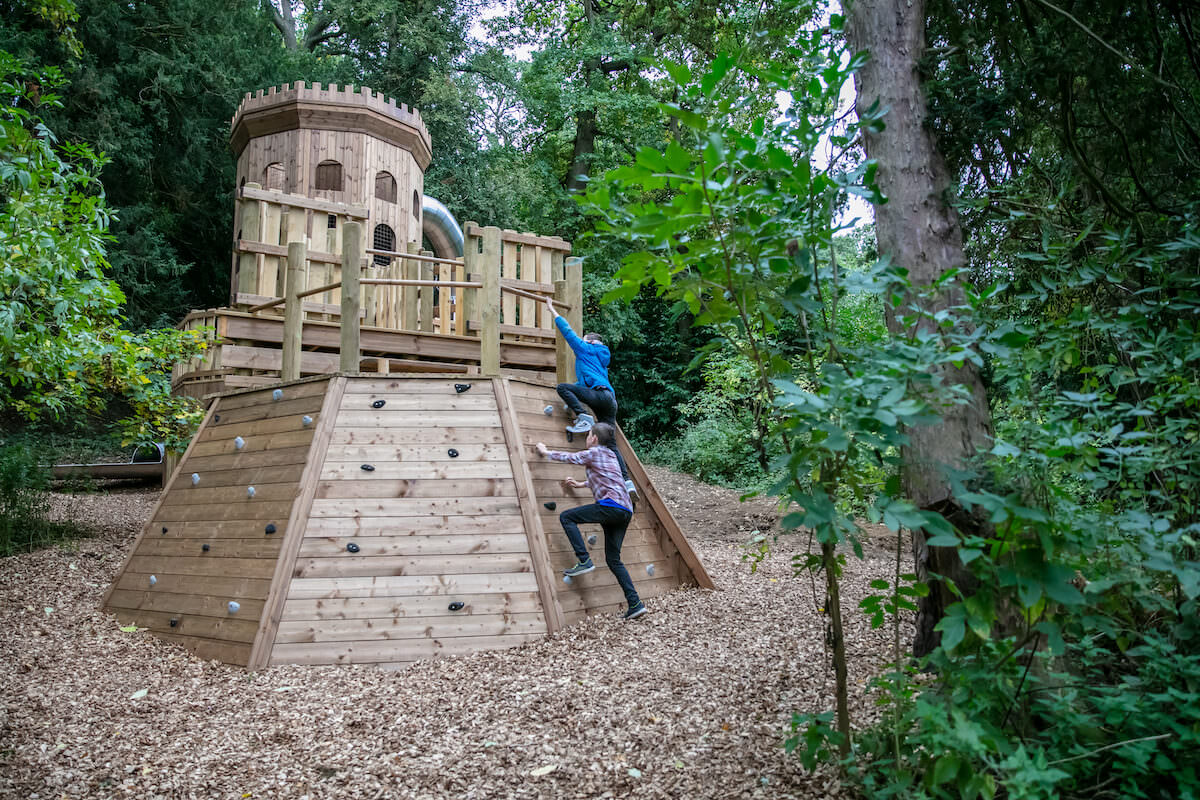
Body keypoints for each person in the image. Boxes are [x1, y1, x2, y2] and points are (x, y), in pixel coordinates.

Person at [535, 422, 647, 620]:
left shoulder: (594, 452)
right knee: (614, 560)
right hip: (625, 510)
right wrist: (581, 484)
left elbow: (572, 457)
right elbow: (607, 478)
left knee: (566, 517)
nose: (587, 438)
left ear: (593, 438)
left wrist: (545, 452)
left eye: (588, 434)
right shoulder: (611, 455)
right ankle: (635, 603)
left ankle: (584, 560)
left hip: (610, 506)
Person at [545, 296, 638, 504]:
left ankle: (583, 417)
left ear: (590, 341)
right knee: (611, 445)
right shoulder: (602, 359)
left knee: (563, 387)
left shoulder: (585, 349)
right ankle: (627, 482)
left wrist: (552, 309)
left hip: (597, 397)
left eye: (585, 338)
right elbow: (584, 384)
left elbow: (567, 332)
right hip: (610, 400)